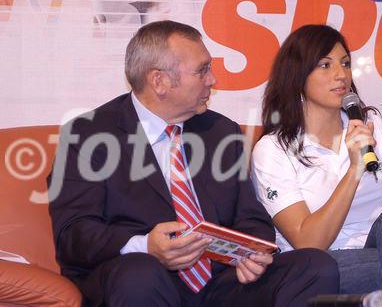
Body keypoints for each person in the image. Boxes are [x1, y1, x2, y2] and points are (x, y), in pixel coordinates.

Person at [48, 20, 340, 307]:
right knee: (140, 274)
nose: (213, 80)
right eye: (202, 70)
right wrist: (145, 245)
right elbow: (73, 234)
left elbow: (252, 219)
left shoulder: (220, 132)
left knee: (314, 266)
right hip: (138, 277)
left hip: (220, 280)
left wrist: (251, 253)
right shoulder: (89, 135)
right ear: (159, 81)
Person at [250, 24, 382, 307]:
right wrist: (355, 169)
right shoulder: (274, 149)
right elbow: (309, 243)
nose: (341, 74)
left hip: (380, 250)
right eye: (325, 65)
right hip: (320, 268)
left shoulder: (373, 128)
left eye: (345, 63)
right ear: (297, 76)